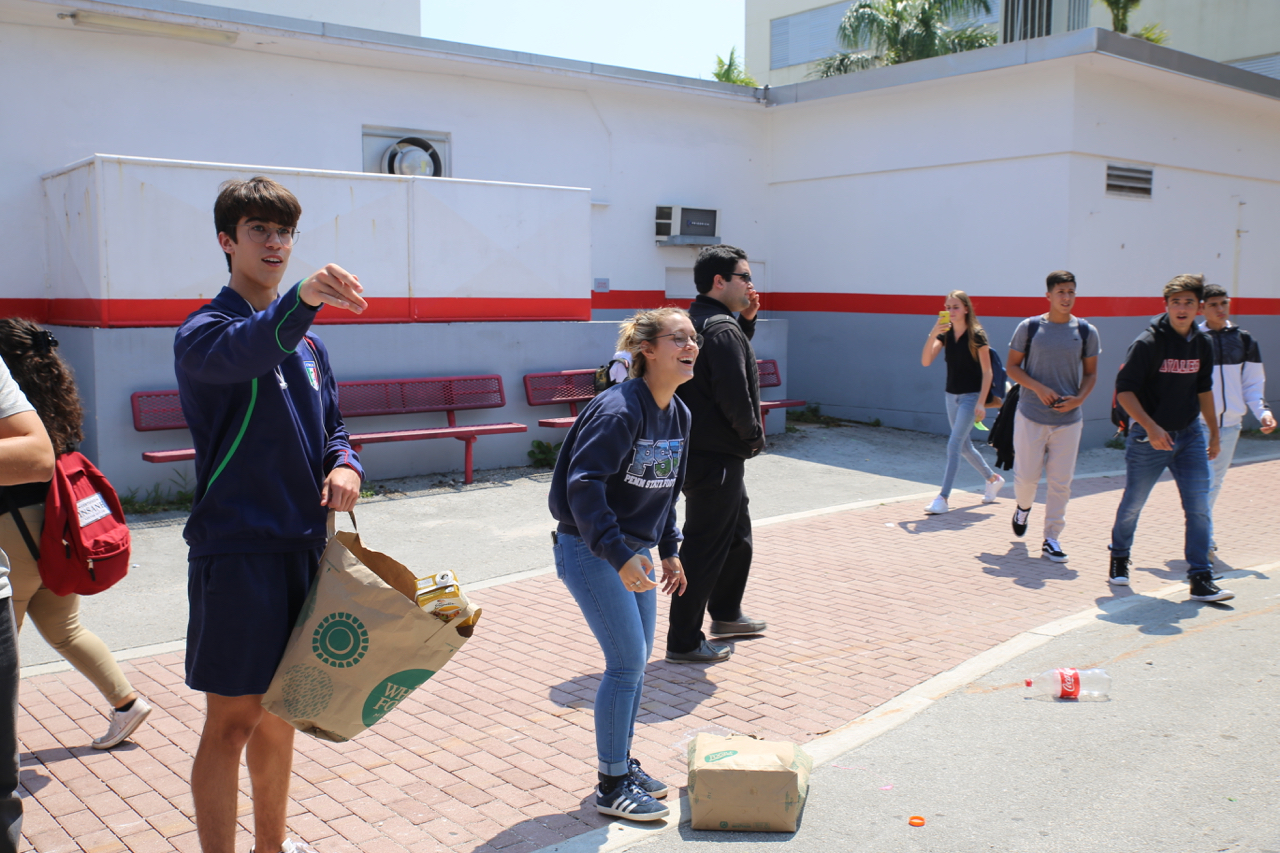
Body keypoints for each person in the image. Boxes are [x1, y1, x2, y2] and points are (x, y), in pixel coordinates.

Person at [176, 177, 367, 853]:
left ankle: (271, 846)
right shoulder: (205, 333)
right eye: (259, 230)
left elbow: (335, 428)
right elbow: (255, 345)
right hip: (238, 551)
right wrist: (306, 299)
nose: (276, 244)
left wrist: (345, 464)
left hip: (304, 549)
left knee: (284, 713)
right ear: (227, 241)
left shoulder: (311, 346)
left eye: (284, 232)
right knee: (231, 724)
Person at [549, 307, 694, 821]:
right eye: (679, 338)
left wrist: (671, 550)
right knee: (627, 661)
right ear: (648, 350)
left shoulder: (679, 413)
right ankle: (611, 785)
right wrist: (617, 553)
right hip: (591, 548)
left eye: (693, 338)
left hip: (634, 550)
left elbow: (666, 490)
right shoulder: (618, 409)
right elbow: (582, 485)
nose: (691, 345)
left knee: (636, 663)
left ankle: (622, 764)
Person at [0, 319, 154, 749]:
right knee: (64, 628)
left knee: (3, 649)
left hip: (13, 534)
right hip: (58, 534)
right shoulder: (53, 397)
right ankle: (126, 704)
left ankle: (4, 749)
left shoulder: (9, 403)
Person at [665, 245, 767, 666]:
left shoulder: (698, 322)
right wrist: (753, 437)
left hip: (700, 452)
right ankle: (684, 640)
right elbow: (734, 394)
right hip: (717, 456)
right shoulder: (721, 329)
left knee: (736, 533)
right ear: (719, 281)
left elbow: (720, 368)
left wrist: (748, 321)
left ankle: (726, 614)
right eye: (743, 276)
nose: (751, 284)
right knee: (705, 547)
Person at [1108, 274, 1232, 601]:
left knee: (1199, 507)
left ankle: (1200, 577)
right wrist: (1150, 427)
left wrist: (1213, 434)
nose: (1182, 308)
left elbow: (1204, 390)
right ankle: (1119, 555)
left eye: (1188, 302)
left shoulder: (1202, 343)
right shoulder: (1148, 343)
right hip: (1149, 438)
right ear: (1166, 305)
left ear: (1199, 308)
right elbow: (1125, 393)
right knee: (1133, 504)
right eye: (1175, 302)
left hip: (1189, 435)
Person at [1005, 272, 1100, 562]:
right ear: (1048, 295)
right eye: (1061, 292)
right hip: (1031, 415)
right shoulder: (1030, 327)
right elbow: (1012, 368)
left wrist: (1079, 399)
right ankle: (1023, 508)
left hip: (1068, 422)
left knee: (1061, 482)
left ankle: (1051, 537)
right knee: (1026, 478)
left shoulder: (1086, 331)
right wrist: (1038, 388)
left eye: (1071, 291)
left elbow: (1091, 373)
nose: (1066, 297)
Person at [0, 352, 55, 853]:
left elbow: (39, 455)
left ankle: (126, 700)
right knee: (67, 630)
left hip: (15, 552)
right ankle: (126, 700)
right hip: (38, 538)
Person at [1197, 283, 1275, 558]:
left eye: (1224, 304)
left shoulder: (1243, 339)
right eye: (1213, 304)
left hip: (1229, 426)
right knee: (1202, 482)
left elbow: (1252, 384)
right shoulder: (1192, 339)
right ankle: (1201, 537)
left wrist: (1262, 412)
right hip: (1197, 425)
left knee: (1213, 482)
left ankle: (1201, 534)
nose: (1220, 309)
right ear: (1202, 308)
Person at [920, 290, 1005, 515]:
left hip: (971, 397)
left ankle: (943, 498)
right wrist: (933, 334)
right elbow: (926, 361)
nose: (951, 311)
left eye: (955, 307)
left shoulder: (977, 334)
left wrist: (980, 402)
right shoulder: (945, 334)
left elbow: (987, 372)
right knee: (965, 446)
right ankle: (993, 479)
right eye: (947, 307)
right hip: (951, 396)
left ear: (966, 309)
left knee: (954, 445)